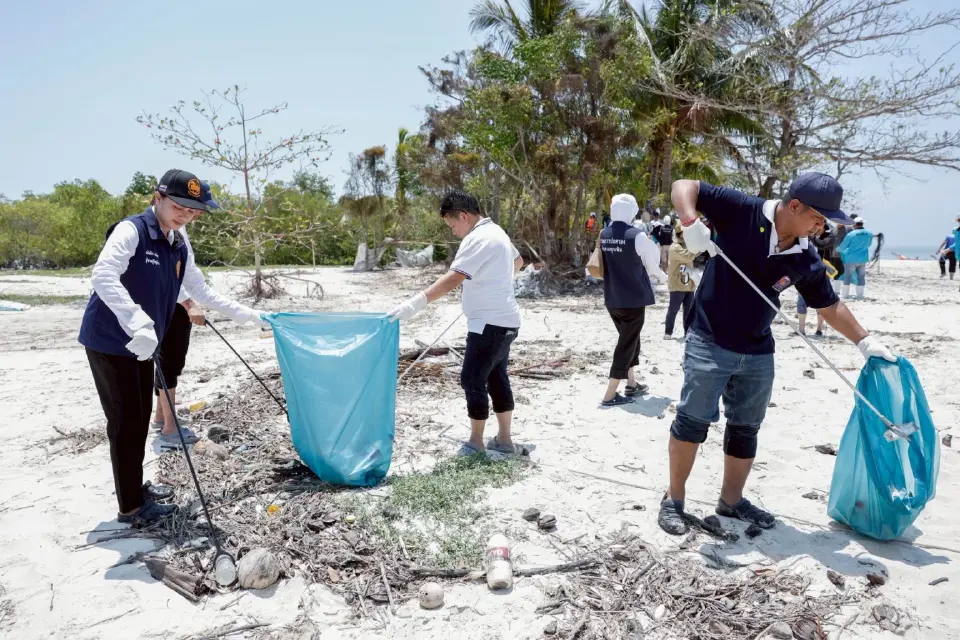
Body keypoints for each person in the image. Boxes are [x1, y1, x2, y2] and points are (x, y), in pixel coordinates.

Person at [658, 172, 895, 536]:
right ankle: (673, 500)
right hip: (709, 339)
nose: (823, 225)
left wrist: (865, 342)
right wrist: (690, 221)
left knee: (745, 428)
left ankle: (732, 501)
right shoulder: (743, 210)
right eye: (819, 217)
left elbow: (829, 305)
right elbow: (684, 186)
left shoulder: (806, 256)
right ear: (795, 205)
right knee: (692, 421)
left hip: (757, 349)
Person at [79, 169, 266, 526]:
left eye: (194, 211)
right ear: (158, 198)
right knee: (126, 422)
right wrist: (136, 320)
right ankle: (131, 508)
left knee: (138, 415)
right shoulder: (131, 231)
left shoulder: (179, 242)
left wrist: (253, 316)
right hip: (110, 340)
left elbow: (202, 292)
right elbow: (103, 275)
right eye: (180, 206)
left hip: (144, 344)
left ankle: (134, 489)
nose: (186, 215)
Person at [389, 190, 525, 456]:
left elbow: (454, 278)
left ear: (464, 216)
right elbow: (517, 262)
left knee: (472, 378)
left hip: (488, 324)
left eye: (452, 225)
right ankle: (505, 440)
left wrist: (413, 305)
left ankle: (476, 443)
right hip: (506, 319)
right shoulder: (497, 231)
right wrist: (494, 285)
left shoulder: (477, 238)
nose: (453, 231)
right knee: (497, 377)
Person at [150, 181, 219, 448]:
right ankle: (170, 428)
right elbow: (168, 275)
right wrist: (189, 305)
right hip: (172, 305)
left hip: (172, 302)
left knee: (166, 362)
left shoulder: (177, 224)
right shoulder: (159, 226)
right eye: (194, 208)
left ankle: (159, 416)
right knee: (171, 365)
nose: (197, 214)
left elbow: (186, 271)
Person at [598, 194, 667, 406]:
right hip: (634, 300)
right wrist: (666, 279)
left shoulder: (603, 233)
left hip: (612, 298)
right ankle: (610, 394)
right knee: (627, 343)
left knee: (630, 339)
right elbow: (652, 267)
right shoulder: (636, 235)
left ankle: (632, 384)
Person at [664, 230, 697, 340]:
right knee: (673, 309)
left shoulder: (687, 245)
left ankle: (687, 332)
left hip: (689, 284)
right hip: (678, 284)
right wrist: (700, 248)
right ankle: (668, 332)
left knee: (688, 311)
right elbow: (688, 257)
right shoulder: (675, 247)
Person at [837, 218, 874, 299]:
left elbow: (843, 246)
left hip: (851, 259)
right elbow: (869, 244)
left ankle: (845, 295)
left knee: (848, 276)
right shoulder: (869, 234)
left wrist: (837, 250)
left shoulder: (851, 234)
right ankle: (860, 295)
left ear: (854, 224)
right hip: (863, 259)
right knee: (861, 276)